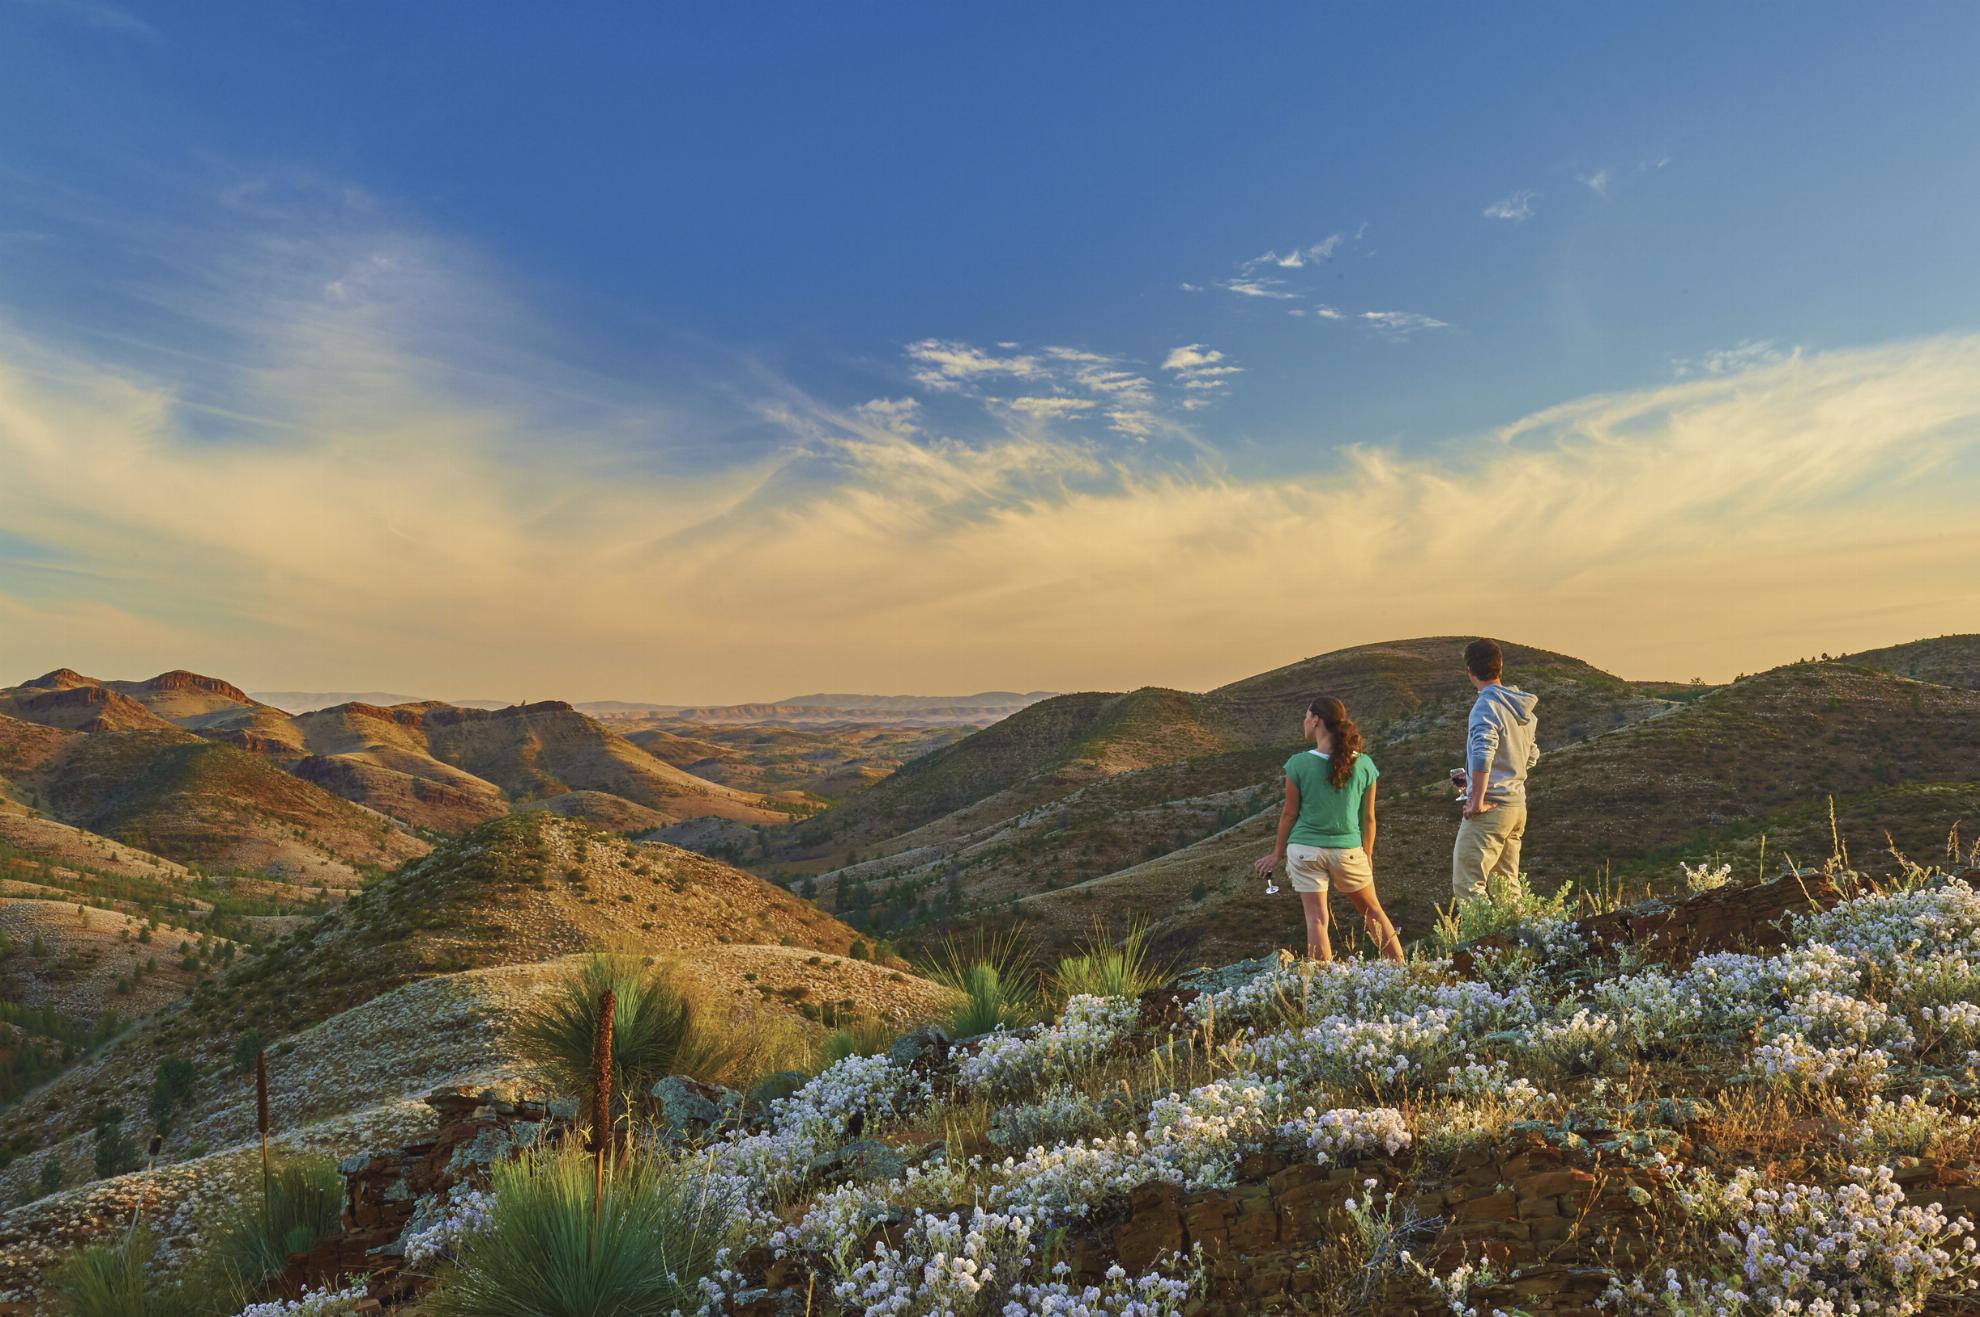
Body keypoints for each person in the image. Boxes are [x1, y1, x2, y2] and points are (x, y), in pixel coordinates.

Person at [1253, 696, 1404, 963]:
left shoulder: (1297, 764)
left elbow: (1289, 813)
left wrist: (1276, 854)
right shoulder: (1365, 764)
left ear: (1316, 720)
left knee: (1316, 920)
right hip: (1348, 851)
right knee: (1372, 911)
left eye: (1306, 716)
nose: (1304, 721)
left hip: (1305, 850)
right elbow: (1368, 818)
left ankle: (1322, 981)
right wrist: (1367, 855)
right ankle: (1402, 969)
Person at [1451, 638, 1541, 899]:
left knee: (1467, 885)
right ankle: (1519, 927)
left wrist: (1477, 800)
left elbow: (1482, 754)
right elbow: (1531, 756)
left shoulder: (1485, 706)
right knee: (1507, 888)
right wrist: (1509, 775)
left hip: (1491, 808)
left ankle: (1482, 930)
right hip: (1516, 806)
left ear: (1470, 671)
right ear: (1499, 666)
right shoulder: (1521, 708)